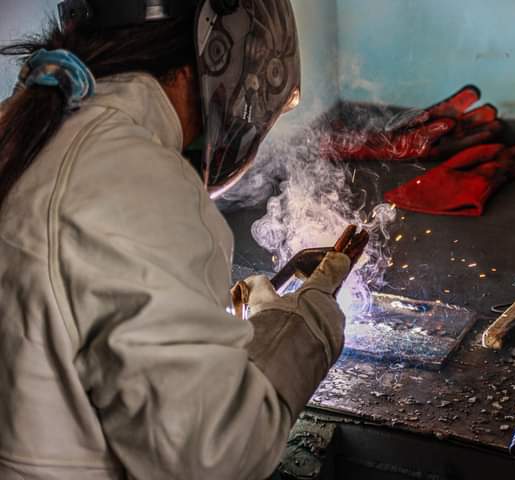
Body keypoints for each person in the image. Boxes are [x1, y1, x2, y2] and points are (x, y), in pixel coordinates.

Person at [0, 1, 362, 479]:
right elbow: (215, 452)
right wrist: (301, 321)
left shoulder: (26, 125)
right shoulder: (134, 177)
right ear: (218, 53)